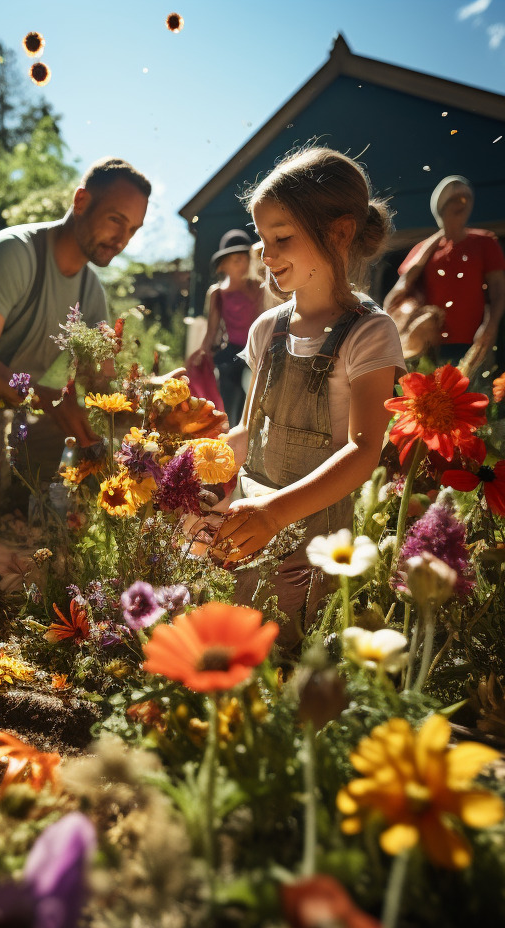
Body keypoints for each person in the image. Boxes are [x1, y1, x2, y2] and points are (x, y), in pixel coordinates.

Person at [211, 146, 405, 645]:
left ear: (339, 233)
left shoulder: (370, 333)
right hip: (247, 528)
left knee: (286, 651)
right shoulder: (265, 330)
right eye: (262, 239)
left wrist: (276, 513)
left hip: (313, 546)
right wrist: (200, 461)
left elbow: (364, 452)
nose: (266, 255)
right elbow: (249, 432)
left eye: (282, 238)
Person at [0, 157, 151, 530]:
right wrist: (48, 401)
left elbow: (97, 387)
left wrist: (150, 401)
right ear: (81, 202)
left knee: (42, 511)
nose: (122, 240)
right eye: (116, 220)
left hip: (29, 401)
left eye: (133, 229)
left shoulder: (91, 291)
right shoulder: (13, 254)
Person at [384, 175, 505, 374]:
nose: (461, 204)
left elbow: (498, 290)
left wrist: (490, 326)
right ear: (440, 207)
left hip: (472, 339)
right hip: (429, 344)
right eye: (453, 200)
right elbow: (403, 286)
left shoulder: (485, 243)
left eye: (465, 199)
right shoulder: (423, 249)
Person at [186, 229, 265, 425]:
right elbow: (212, 329)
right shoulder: (218, 293)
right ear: (223, 265)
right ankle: (232, 433)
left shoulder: (259, 287)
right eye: (235, 260)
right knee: (231, 398)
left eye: (245, 258)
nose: (242, 264)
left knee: (253, 399)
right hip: (232, 353)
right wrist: (202, 352)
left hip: (257, 350)